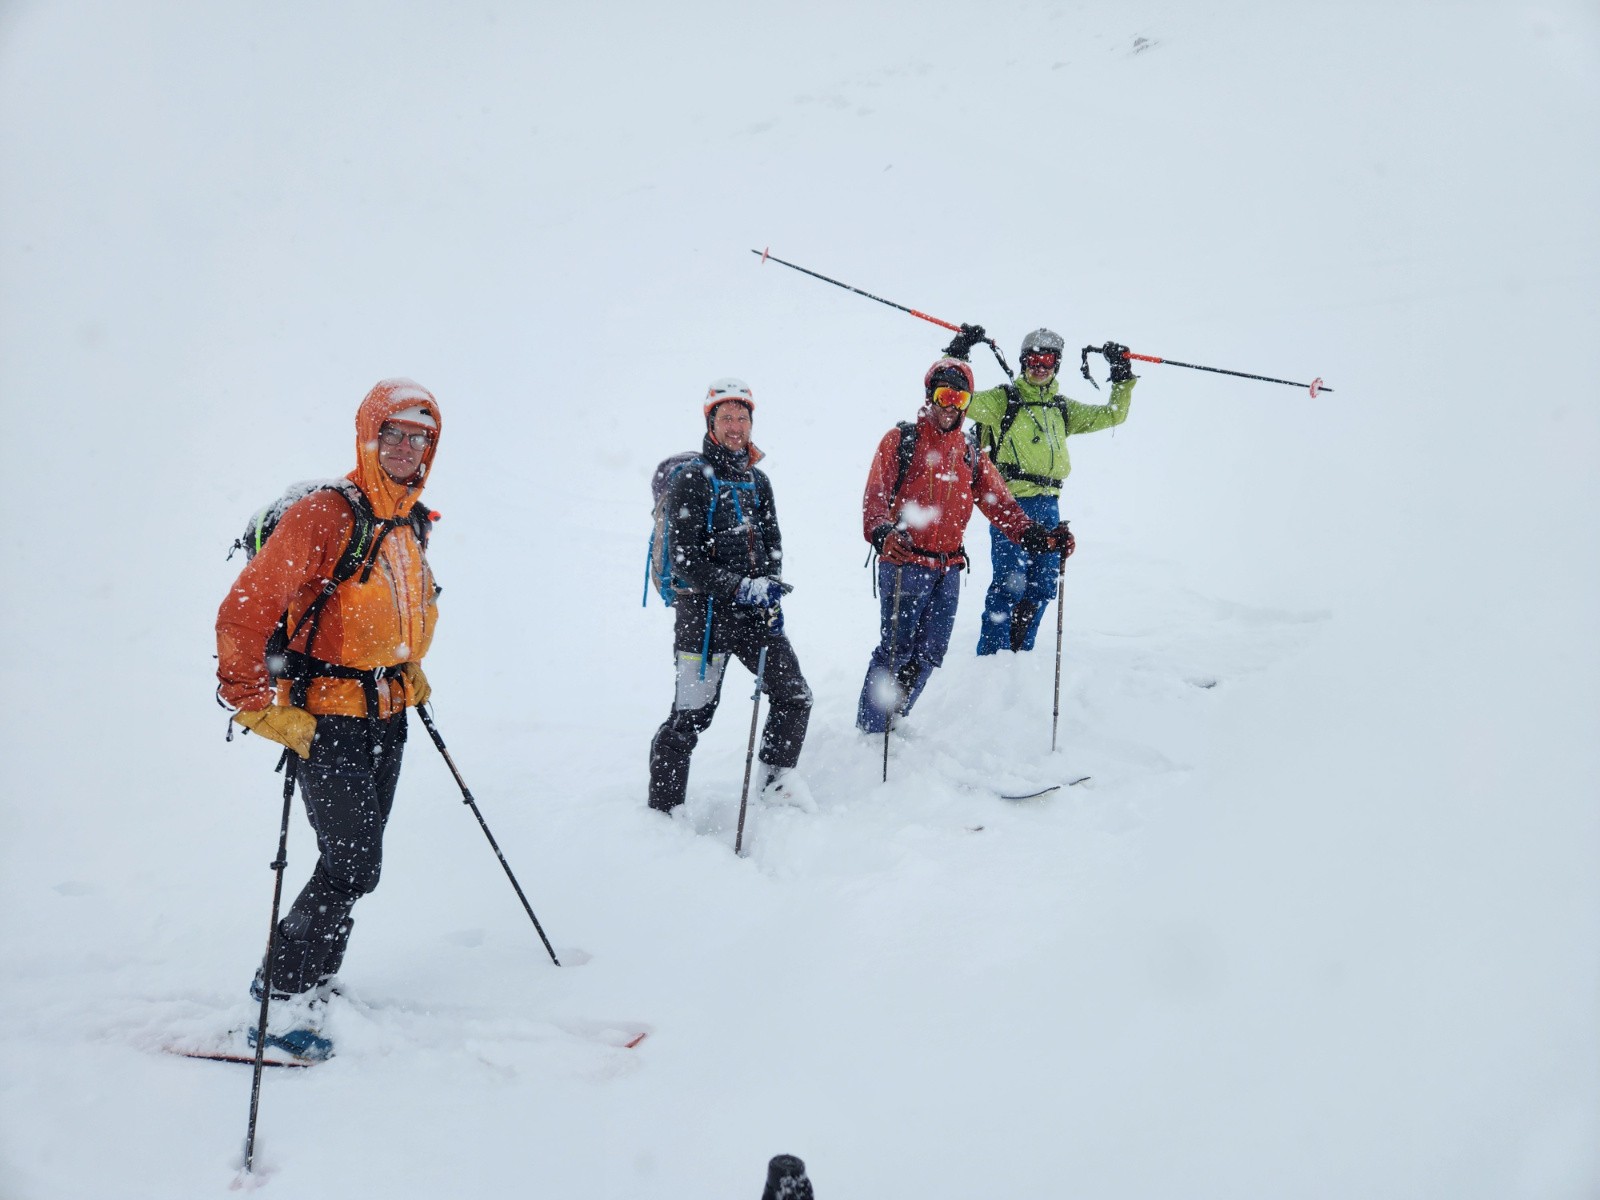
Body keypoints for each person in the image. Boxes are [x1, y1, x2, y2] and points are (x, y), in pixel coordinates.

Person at [216, 378, 441, 1053]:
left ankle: (312, 977)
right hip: (327, 719)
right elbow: (246, 609)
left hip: (388, 713)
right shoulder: (327, 513)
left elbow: (399, 610)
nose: (406, 447)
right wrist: (252, 701)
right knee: (352, 863)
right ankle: (278, 998)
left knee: (355, 860)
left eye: (419, 436)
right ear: (369, 435)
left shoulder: (409, 520)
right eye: (393, 432)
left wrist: (407, 666)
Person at [855, 358, 1072, 734]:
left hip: (949, 569)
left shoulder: (970, 452)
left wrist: (1039, 536)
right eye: (944, 395)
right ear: (930, 396)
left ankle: (894, 719)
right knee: (895, 652)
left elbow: (1002, 506)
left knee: (930, 653)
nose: (950, 405)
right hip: (905, 563)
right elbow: (874, 499)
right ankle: (871, 732)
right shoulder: (901, 440)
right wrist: (883, 533)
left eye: (959, 397)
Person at [647, 378, 813, 814]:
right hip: (701, 615)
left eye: (742, 417)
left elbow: (772, 543)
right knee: (690, 717)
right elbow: (685, 559)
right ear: (711, 422)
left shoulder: (759, 481)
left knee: (794, 695)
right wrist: (740, 586)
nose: (735, 426)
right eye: (726, 418)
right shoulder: (692, 480)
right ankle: (662, 810)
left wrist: (770, 589)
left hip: (754, 614)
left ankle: (777, 784)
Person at [941, 324, 1134, 654]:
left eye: (1046, 359)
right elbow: (954, 398)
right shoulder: (1004, 400)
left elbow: (1113, 414)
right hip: (1009, 502)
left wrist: (1120, 374)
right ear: (1022, 362)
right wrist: (958, 352)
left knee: (1043, 585)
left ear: (1056, 364)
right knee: (1008, 584)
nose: (1039, 366)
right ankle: (991, 659)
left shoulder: (1062, 408)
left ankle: (1019, 655)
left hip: (1049, 504)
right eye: (1032, 359)